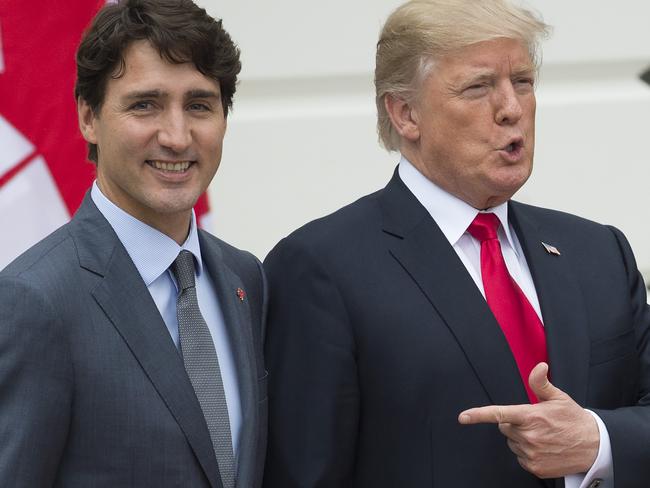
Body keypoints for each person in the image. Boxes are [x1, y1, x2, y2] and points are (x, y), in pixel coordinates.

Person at [262, 0, 649, 487]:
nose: (511, 109)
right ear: (406, 114)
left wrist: (599, 440)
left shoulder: (600, 252)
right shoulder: (320, 268)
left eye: (523, 82)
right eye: (478, 86)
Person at [0, 1, 267, 486]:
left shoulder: (243, 277)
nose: (177, 136)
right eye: (145, 104)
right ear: (88, 117)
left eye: (199, 105)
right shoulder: (34, 299)